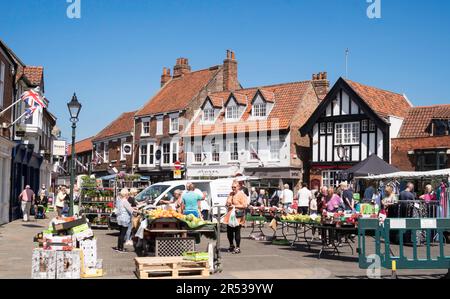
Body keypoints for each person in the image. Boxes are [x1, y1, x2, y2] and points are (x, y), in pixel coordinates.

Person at [224, 181, 248, 254]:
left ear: (238, 187)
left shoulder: (242, 195)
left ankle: (238, 247)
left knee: (237, 231)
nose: (233, 188)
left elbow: (244, 205)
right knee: (229, 232)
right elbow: (227, 203)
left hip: (238, 215)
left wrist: (234, 206)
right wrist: (228, 204)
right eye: (232, 187)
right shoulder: (231, 194)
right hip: (230, 215)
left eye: (234, 187)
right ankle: (231, 245)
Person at [113, 188, 136, 252]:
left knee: (120, 233)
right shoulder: (125, 201)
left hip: (119, 218)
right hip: (125, 219)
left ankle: (118, 247)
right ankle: (121, 248)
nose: (128, 195)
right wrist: (135, 211)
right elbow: (130, 209)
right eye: (127, 194)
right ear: (126, 194)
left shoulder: (119, 200)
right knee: (123, 234)